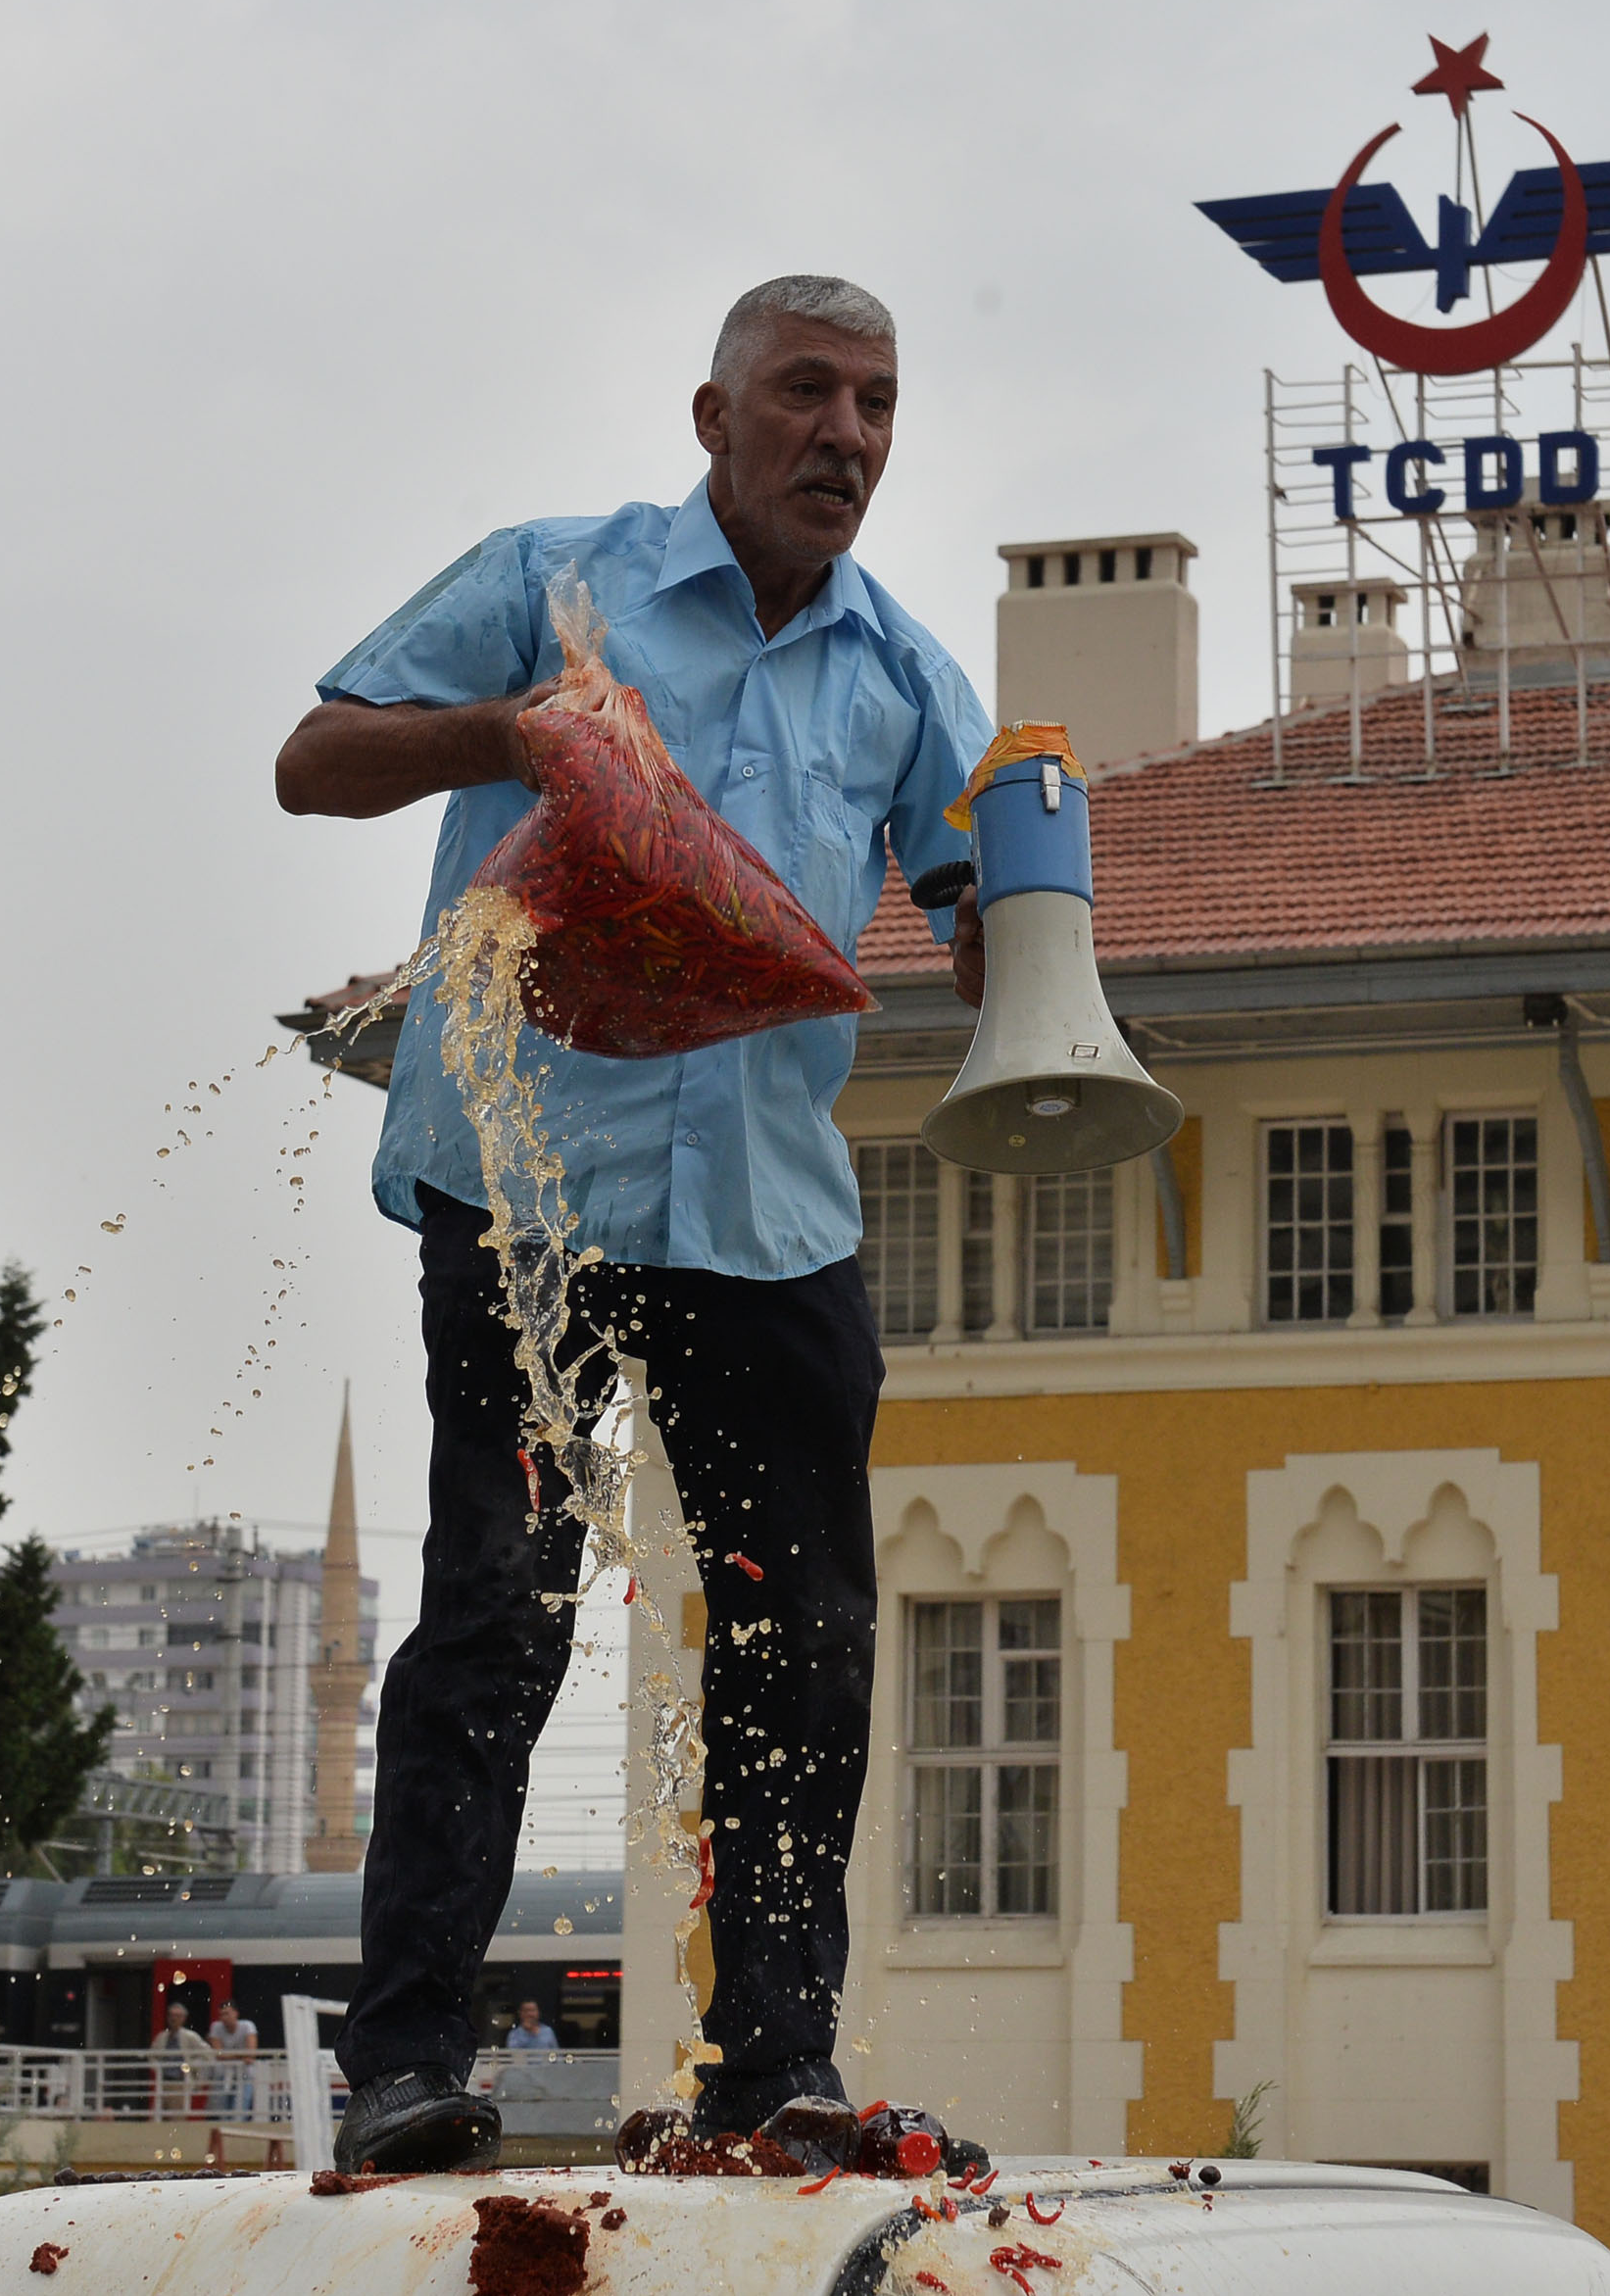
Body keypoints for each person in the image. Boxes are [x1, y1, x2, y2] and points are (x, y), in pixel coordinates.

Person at [275, 274, 994, 2175]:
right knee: (496, 1618)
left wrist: (1032, 904)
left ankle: (773, 2062)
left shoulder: (907, 676)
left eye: (877, 402)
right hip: (523, 1190)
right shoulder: (554, 579)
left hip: (767, 1217)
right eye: (807, 393)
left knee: (803, 1645)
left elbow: (983, 901)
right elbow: (312, 759)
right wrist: (510, 738)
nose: (845, 432)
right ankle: (408, 2063)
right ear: (713, 415)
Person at [148, 2001, 209, 2121]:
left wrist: (189, 2066)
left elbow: (207, 2054)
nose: (174, 2018)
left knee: (175, 2120)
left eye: (177, 2016)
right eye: (171, 2015)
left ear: (184, 2018)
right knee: (156, 2119)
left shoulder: (190, 2036)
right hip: (162, 2082)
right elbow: (152, 2055)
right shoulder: (162, 2037)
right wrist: (157, 2068)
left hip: (179, 2083)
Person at [207, 1999, 259, 2119]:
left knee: (240, 2113)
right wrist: (241, 2056)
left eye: (227, 2013)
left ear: (236, 2013)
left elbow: (251, 2053)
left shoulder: (247, 2026)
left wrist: (228, 2056)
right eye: (221, 2014)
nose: (224, 2017)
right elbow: (218, 2054)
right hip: (223, 2075)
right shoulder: (216, 2027)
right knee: (223, 2114)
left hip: (245, 2075)